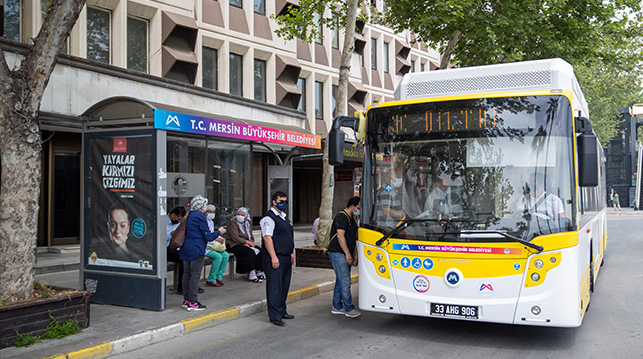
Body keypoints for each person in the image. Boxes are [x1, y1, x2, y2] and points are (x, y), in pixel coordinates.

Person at [180, 195, 226, 311]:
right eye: (205, 204)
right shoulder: (200, 216)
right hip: (196, 249)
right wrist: (219, 232)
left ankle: (186, 300)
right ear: (201, 206)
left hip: (186, 248)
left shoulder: (190, 215)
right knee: (195, 276)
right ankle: (193, 302)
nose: (206, 206)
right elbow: (209, 237)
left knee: (187, 274)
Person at [260, 191, 295, 326]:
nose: (283, 204)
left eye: (285, 202)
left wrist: (291, 252)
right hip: (276, 257)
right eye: (281, 201)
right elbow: (267, 238)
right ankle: (275, 315)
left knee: (284, 285)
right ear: (274, 202)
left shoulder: (285, 217)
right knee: (275, 287)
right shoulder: (268, 218)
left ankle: (282, 310)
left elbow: (287, 237)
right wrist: (274, 256)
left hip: (286, 256)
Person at [328, 197, 361, 318]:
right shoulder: (341, 217)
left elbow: (352, 238)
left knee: (341, 280)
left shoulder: (352, 219)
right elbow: (340, 237)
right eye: (358, 208)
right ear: (352, 206)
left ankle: (336, 306)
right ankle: (348, 308)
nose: (359, 210)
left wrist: (355, 254)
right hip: (338, 253)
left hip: (346, 253)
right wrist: (348, 254)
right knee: (346, 281)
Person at [226, 207, 265, 283]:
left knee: (260, 250)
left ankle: (258, 270)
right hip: (234, 244)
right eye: (238, 214)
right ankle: (251, 273)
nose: (240, 216)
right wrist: (245, 243)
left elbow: (251, 237)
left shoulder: (247, 223)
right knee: (249, 252)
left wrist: (250, 243)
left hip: (245, 243)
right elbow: (235, 237)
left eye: (242, 215)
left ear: (246, 216)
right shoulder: (233, 222)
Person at [204, 204, 230, 287]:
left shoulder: (211, 222)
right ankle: (211, 279)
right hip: (205, 247)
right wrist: (216, 238)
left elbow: (212, 233)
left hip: (212, 246)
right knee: (218, 257)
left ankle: (218, 277)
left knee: (225, 255)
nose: (212, 214)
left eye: (213, 212)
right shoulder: (203, 222)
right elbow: (206, 235)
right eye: (209, 212)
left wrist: (218, 238)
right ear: (205, 213)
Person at [166, 206, 187, 293]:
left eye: (180, 219)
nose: (178, 221)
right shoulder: (163, 222)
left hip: (176, 248)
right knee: (183, 258)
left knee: (187, 257)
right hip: (165, 249)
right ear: (173, 215)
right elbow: (157, 238)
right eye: (178, 219)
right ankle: (181, 287)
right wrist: (170, 235)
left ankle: (186, 285)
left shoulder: (177, 224)